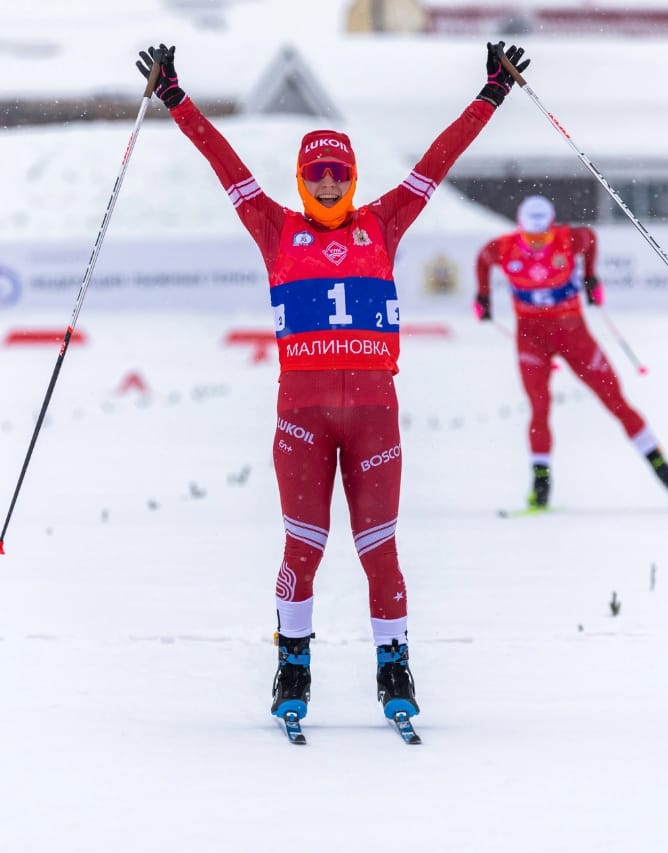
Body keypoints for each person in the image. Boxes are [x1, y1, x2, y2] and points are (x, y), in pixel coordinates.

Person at [137, 40, 530, 726]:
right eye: (315, 172)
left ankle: (393, 666)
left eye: (337, 172)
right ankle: (293, 664)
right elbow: (222, 161)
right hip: (302, 421)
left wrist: (491, 94)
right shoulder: (274, 228)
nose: (325, 182)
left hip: (375, 415)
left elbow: (438, 162)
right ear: (301, 177)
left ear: (351, 177)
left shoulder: (383, 222)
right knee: (304, 548)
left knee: (381, 552)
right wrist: (175, 98)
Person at [474, 195, 668, 514]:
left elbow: (591, 240)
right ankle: (540, 487)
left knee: (615, 401)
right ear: (520, 229)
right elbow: (482, 261)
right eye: (531, 237)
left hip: (574, 334)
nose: (537, 243)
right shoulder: (503, 247)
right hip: (531, 338)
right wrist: (483, 296)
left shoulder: (570, 238)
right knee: (539, 407)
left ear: (552, 226)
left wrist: (590, 277)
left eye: (542, 235)